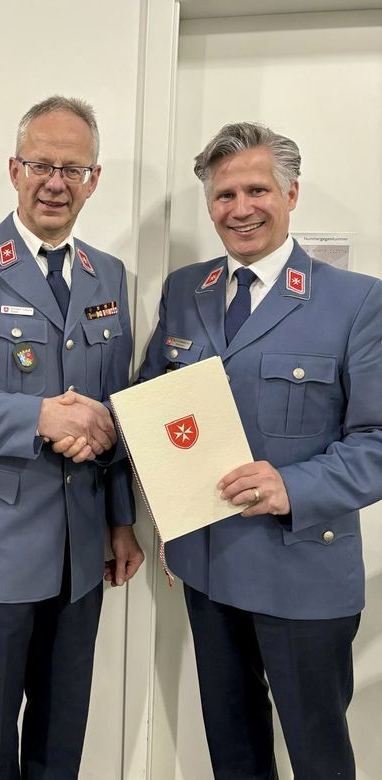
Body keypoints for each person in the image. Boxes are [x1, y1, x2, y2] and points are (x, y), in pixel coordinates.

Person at [0, 95, 144, 779]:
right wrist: (37, 417)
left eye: (74, 168)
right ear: (14, 169)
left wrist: (121, 520)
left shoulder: (110, 275)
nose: (55, 182)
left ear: (93, 179)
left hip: (80, 550)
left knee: (62, 733)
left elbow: (113, 409)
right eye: (41, 164)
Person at [139, 121, 382, 779]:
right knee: (234, 752)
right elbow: (156, 406)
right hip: (209, 566)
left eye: (256, 190)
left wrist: (293, 486)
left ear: (291, 194)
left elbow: (377, 441)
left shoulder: (356, 302)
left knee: (317, 757)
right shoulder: (187, 290)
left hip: (303, 573)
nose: (239, 209)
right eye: (223, 195)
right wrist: (170, 500)